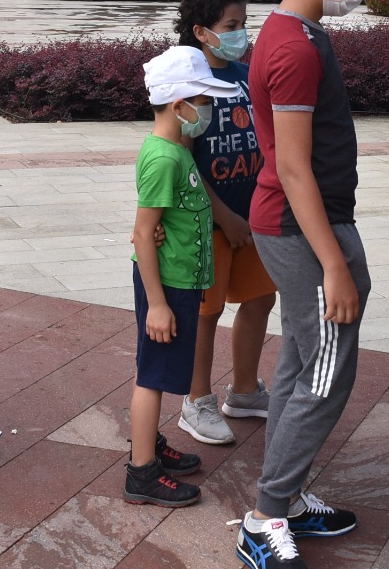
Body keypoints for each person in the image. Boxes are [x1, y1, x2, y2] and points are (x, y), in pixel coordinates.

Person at [237, 0, 389, 569]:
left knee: (302, 363)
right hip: (302, 227)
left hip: (299, 223)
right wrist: (334, 264)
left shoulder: (296, 32)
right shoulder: (295, 47)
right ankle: (266, 513)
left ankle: (287, 496)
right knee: (328, 372)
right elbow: (294, 166)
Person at [126, 46, 235, 507]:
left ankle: (149, 444)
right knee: (152, 375)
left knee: (163, 370)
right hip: (166, 287)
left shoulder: (176, 148)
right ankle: (141, 473)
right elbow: (142, 230)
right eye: (204, 101)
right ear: (180, 106)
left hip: (179, 283)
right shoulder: (165, 158)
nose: (208, 110)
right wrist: (157, 303)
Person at [172, 0, 277, 448]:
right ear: (201, 31)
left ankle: (246, 390)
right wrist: (223, 217)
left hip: (253, 215)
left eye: (243, 25)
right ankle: (197, 401)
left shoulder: (243, 74)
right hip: (207, 222)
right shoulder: (188, 82)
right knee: (206, 311)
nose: (241, 34)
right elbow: (183, 160)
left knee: (259, 299)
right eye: (231, 27)